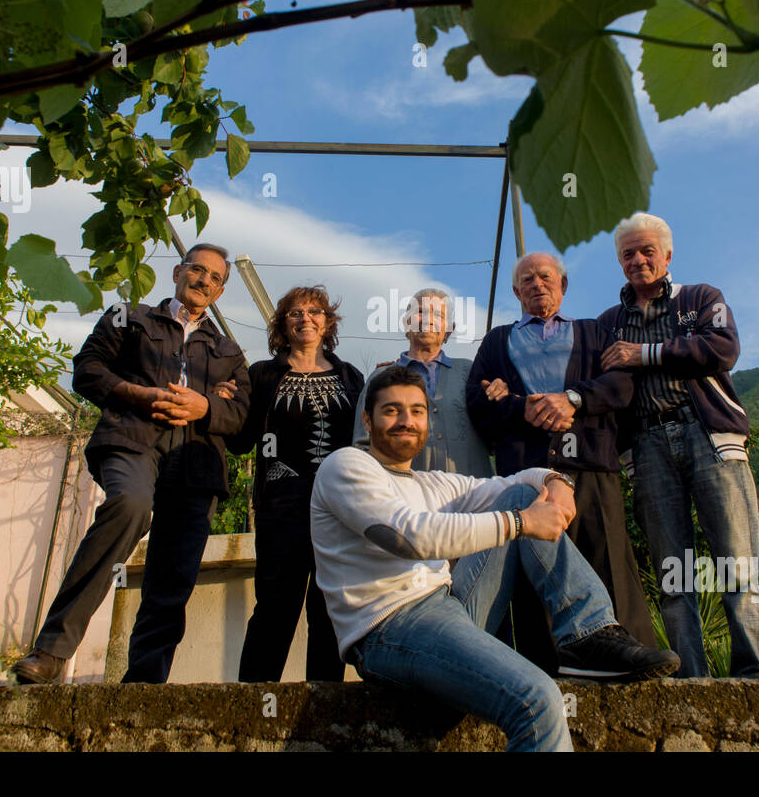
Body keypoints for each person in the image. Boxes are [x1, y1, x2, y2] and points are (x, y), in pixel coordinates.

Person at [311, 366, 679, 752]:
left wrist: (557, 482)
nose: (406, 421)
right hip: (390, 629)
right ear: (367, 420)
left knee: (519, 496)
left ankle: (586, 636)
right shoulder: (346, 466)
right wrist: (520, 524)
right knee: (538, 700)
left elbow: (512, 484)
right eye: (392, 411)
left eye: (417, 411)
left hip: (449, 608)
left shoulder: (431, 483)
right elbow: (408, 536)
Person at [12, 243, 250, 684]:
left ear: (220, 290)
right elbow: (87, 369)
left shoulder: (229, 350)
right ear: (178, 271)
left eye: (216, 278)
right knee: (131, 504)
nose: (204, 281)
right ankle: (51, 651)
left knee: (174, 571)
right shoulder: (130, 317)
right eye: (197, 270)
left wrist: (206, 409)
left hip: (196, 462)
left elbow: (241, 420)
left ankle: (143, 682)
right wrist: (137, 394)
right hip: (133, 439)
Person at [598, 212, 759, 678]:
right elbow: (602, 386)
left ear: (668, 255)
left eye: (646, 251)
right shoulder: (609, 322)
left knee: (738, 561)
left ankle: (756, 675)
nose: (637, 260)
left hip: (708, 436)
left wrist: (645, 355)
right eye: (627, 254)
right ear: (619, 262)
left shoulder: (699, 298)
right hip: (649, 444)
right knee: (674, 573)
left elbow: (722, 349)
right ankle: (691, 680)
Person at [465, 252, 657, 669]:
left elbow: (621, 386)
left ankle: (629, 659)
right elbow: (478, 402)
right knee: (537, 567)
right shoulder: (497, 341)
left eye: (546, 277)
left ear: (563, 285)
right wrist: (520, 408)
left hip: (590, 464)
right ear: (516, 291)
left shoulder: (594, 332)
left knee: (607, 558)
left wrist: (574, 399)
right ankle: (547, 669)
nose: (537, 284)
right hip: (528, 474)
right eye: (527, 279)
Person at [225, 285, 364, 682]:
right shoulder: (262, 374)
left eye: (315, 311)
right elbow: (240, 440)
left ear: (328, 322)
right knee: (275, 603)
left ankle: (322, 705)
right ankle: (254, 701)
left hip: (338, 509)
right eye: (295, 313)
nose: (306, 319)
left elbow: (364, 443)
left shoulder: (349, 376)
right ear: (282, 325)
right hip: (280, 506)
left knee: (328, 607)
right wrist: (225, 401)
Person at [352, 287, 492, 476]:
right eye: (420, 312)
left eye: (438, 315)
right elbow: (362, 446)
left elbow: (495, 431)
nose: (428, 319)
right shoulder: (381, 377)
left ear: (450, 329)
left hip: (473, 496)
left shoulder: (470, 372)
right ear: (405, 323)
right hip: (404, 498)